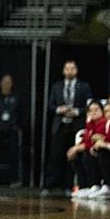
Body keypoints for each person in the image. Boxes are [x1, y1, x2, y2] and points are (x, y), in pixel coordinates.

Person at [44, 61, 92, 190]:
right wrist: (60, 110)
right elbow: (50, 106)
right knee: (55, 156)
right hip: (60, 125)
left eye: (72, 68)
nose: (69, 71)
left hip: (76, 126)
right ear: (63, 71)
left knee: (72, 157)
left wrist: (76, 111)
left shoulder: (84, 86)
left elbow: (89, 106)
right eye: (67, 68)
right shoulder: (57, 86)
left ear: (76, 70)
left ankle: (68, 186)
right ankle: (50, 185)